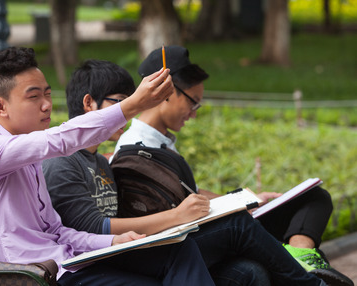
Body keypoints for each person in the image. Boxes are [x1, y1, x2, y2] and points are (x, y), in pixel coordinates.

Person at [43, 59, 328, 286]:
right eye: (120, 102)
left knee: (248, 271)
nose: (128, 112)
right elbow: (91, 227)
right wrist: (177, 216)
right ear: (89, 103)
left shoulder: (101, 162)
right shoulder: (63, 161)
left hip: (136, 247)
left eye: (131, 103)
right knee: (233, 227)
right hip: (103, 259)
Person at [0, 46, 216, 285]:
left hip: (69, 265)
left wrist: (113, 240)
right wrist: (133, 104)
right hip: (34, 276)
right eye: (34, 96)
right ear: (0, 106)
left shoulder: (30, 159)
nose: (46, 104)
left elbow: (57, 232)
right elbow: (60, 140)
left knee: (181, 251)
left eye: (48, 94)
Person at [113, 45, 353, 286]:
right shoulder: (135, 148)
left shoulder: (162, 140)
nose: (194, 114)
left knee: (313, 197)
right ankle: (305, 274)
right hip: (185, 238)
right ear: (166, 91)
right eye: (193, 103)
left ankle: (300, 255)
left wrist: (245, 200)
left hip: (209, 223)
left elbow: (190, 192)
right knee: (249, 260)